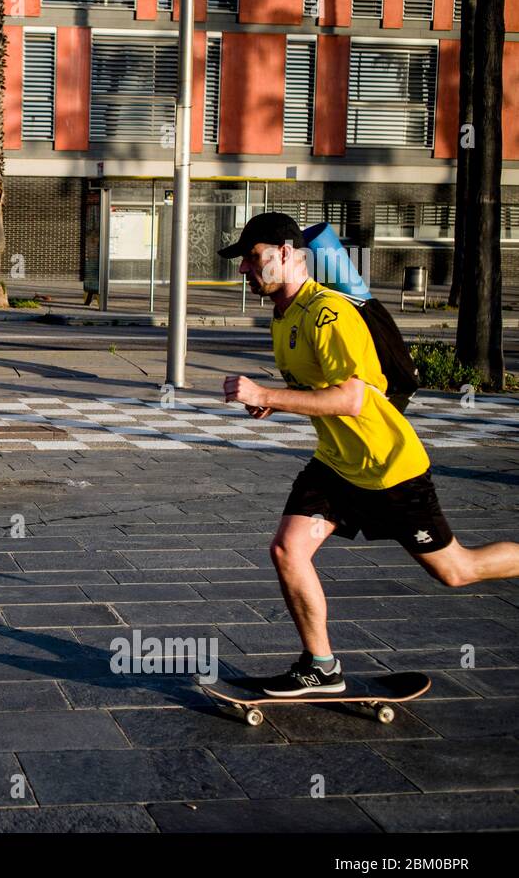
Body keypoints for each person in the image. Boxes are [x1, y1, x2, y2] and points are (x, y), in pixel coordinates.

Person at [221, 212, 519, 696]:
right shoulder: (283, 316)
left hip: (388, 468)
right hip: (338, 465)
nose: (244, 271)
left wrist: (268, 395)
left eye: (252, 259)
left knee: (455, 570)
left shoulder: (329, 315)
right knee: (287, 550)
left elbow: (352, 399)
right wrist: (273, 403)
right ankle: (321, 667)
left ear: (284, 253)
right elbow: (316, 388)